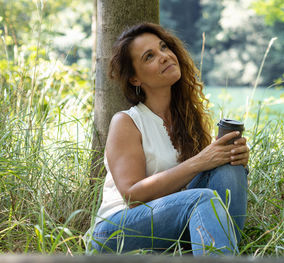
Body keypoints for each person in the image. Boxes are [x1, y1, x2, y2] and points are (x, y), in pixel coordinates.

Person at [90, 22, 250, 256]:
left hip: (170, 224)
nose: (164, 57)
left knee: (229, 166)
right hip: (116, 232)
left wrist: (230, 158)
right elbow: (132, 196)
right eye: (149, 57)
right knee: (202, 199)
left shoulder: (187, 119)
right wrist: (201, 161)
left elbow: (193, 185)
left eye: (164, 47)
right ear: (135, 79)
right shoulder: (127, 122)